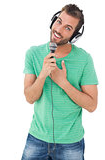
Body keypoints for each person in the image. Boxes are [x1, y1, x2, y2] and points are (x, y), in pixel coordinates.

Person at [21, 4, 98, 160]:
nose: (59, 29)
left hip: (71, 143)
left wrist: (63, 82)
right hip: (37, 139)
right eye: (59, 21)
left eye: (68, 28)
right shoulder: (33, 53)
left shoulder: (84, 59)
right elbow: (29, 98)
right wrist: (42, 75)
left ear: (75, 35)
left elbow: (91, 105)